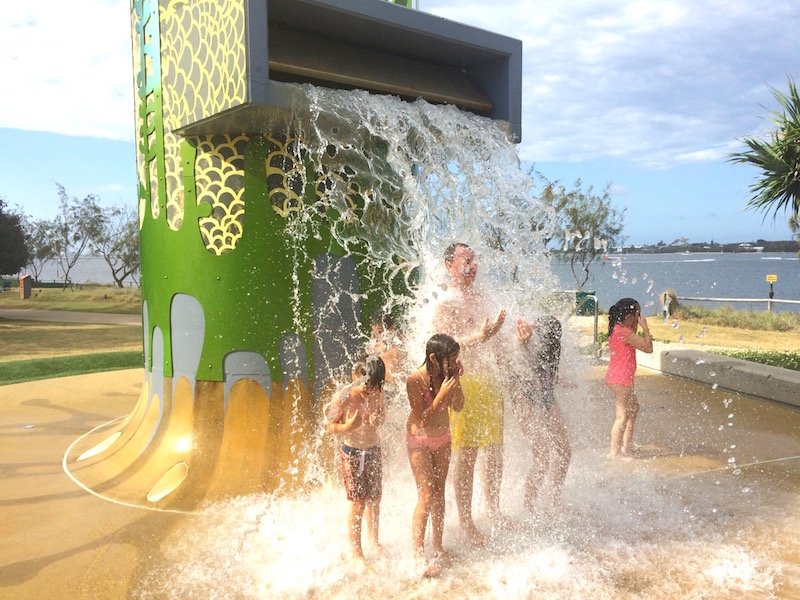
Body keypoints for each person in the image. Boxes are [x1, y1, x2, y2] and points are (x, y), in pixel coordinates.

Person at [434, 242, 516, 544]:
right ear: (449, 265)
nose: (473, 265)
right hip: (464, 382)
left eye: (474, 260)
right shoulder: (446, 302)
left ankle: (493, 509)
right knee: (467, 455)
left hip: (490, 381)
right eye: (466, 260)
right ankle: (467, 521)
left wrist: (516, 338)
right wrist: (478, 337)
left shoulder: (483, 296)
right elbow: (444, 343)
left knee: (495, 451)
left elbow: (496, 342)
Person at [406, 333, 464, 576]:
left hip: (443, 439)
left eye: (455, 358)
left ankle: (438, 545)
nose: (452, 363)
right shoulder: (415, 379)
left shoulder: (448, 376)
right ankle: (417, 554)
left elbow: (459, 406)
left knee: (439, 492)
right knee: (427, 493)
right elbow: (422, 417)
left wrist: (456, 380)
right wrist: (440, 396)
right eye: (449, 359)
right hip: (419, 439)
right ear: (433, 358)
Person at [323, 355, 387, 564]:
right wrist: (348, 427)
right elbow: (328, 426)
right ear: (355, 375)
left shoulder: (378, 392)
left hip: (373, 450)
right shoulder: (343, 397)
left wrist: (378, 420)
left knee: (375, 499)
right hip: (352, 453)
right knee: (358, 502)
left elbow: (382, 415)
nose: (370, 390)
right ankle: (357, 552)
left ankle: (373, 540)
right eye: (366, 384)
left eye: (375, 385)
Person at [511, 316, 572, 515]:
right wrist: (523, 341)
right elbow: (519, 360)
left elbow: (543, 371)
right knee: (542, 458)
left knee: (564, 452)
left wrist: (560, 380)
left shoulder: (550, 350)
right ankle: (528, 506)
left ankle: (553, 500)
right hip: (525, 402)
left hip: (546, 399)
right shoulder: (526, 343)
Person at [605, 298, 653, 458]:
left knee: (633, 409)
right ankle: (615, 452)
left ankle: (627, 446)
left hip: (615, 377)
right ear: (629, 316)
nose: (639, 318)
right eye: (638, 315)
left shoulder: (617, 328)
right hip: (621, 379)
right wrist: (645, 327)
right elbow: (648, 348)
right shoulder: (626, 333)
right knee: (622, 416)